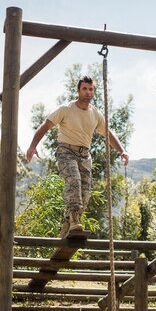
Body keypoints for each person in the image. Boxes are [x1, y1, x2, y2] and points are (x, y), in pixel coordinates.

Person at [25, 75, 129, 237]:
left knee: (85, 193)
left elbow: (107, 133)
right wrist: (33, 146)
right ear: (78, 91)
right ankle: (74, 220)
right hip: (66, 152)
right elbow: (46, 125)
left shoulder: (95, 114)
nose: (88, 92)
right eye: (84, 89)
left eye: (90, 89)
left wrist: (122, 150)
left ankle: (68, 223)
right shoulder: (66, 109)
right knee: (74, 181)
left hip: (85, 155)